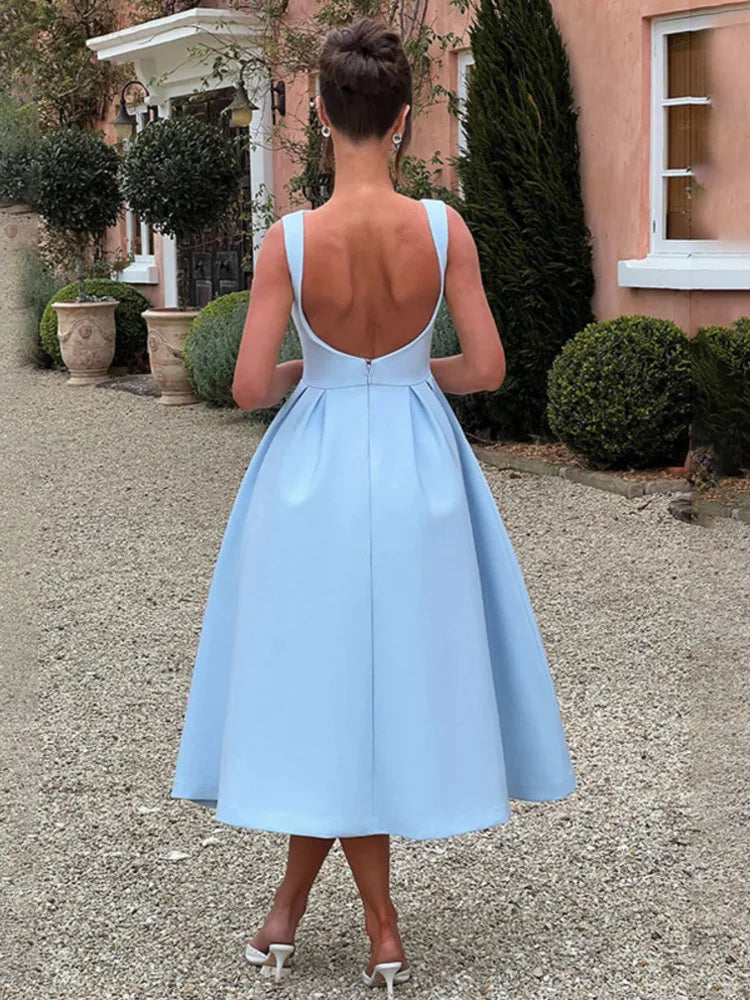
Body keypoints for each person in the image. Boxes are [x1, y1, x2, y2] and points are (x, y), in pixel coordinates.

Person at [170, 15, 577, 997]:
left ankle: (329, 920)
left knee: (330, 694)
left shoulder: (289, 241)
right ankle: (360, 928)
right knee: (378, 694)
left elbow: (248, 388)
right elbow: (485, 366)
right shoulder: (443, 230)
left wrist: (322, 367)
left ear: (318, 113)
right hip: (415, 469)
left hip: (312, 474)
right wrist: (406, 374)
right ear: (401, 121)